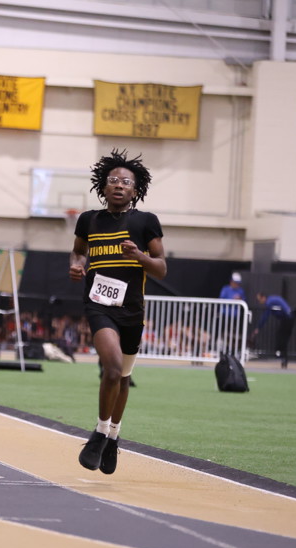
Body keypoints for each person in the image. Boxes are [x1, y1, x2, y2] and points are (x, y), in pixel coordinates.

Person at [69, 149, 166, 475]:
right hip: (99, 306)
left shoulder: (145, 222)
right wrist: (77, 265)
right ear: (103, 186)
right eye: (113, 180)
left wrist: (140, 256)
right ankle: (99, 433)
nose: (119, 185)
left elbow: (161, 268)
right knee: (111, 370)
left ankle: (113, 437)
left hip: (132, 311)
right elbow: (78, 251)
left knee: (123, 378)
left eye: (126, 182)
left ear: (135, 191)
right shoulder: (88, 220)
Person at [252, 291, 294, 369]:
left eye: (259, 300)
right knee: (282, 338)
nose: (259, 302)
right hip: (288, 318)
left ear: (263, 297)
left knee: (281, 338)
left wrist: (258, 327)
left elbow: (265, 316)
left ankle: (281, 356)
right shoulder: (272, 300)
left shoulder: (269, 302)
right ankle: (283, 358)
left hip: (288, 319)